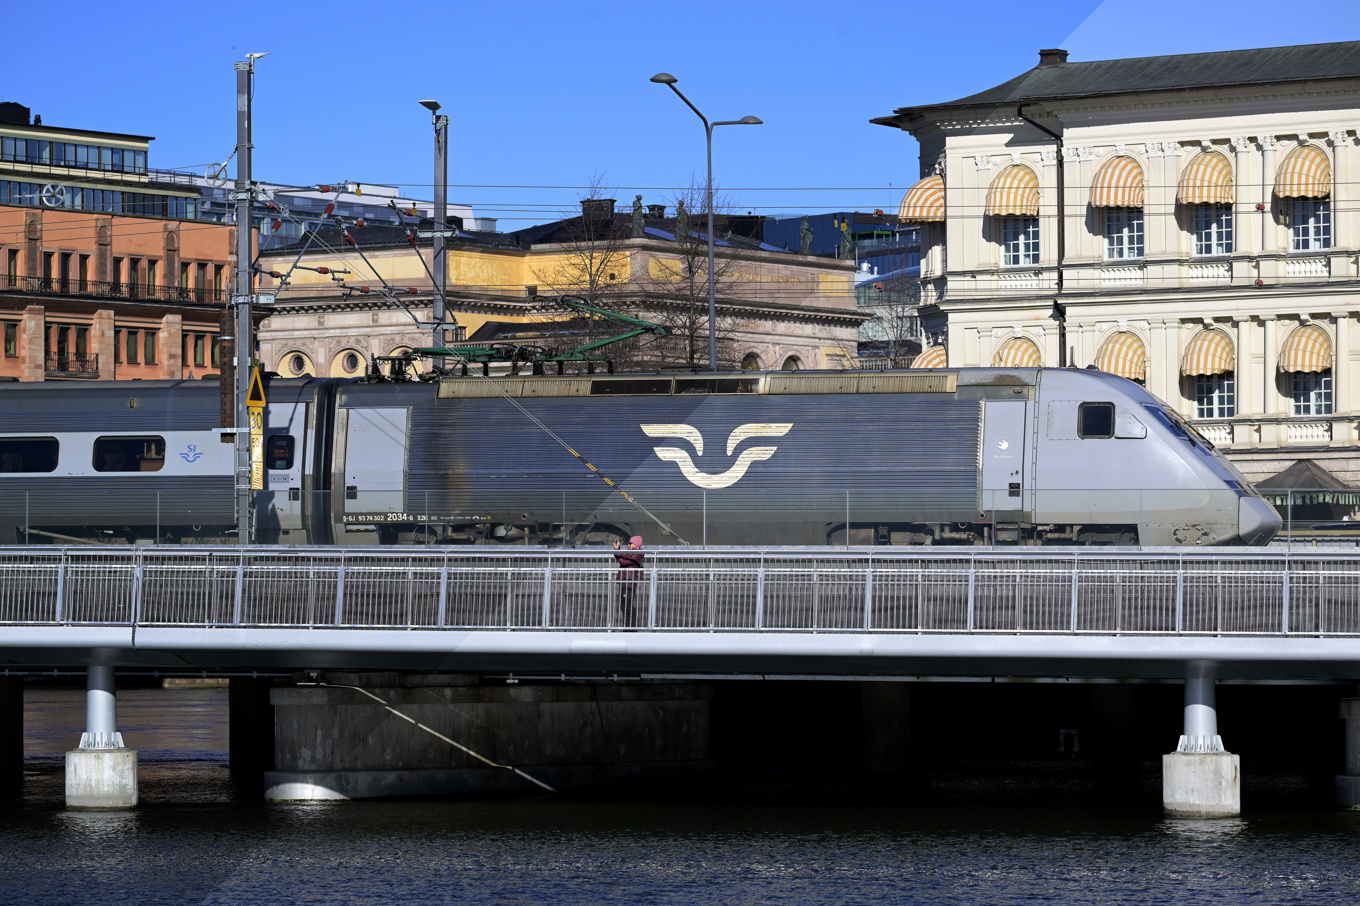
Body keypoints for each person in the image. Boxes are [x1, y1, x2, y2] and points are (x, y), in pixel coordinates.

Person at [612, 535, 644, 628]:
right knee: (624, 605)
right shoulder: (630, 552)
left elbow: (623, 562)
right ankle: (628, 627)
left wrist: (617, 552)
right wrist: (617, 550)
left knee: (628, 605)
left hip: (629, 581)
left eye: (631, 543)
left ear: (636, 545)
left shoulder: (637, 554)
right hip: (624, 580)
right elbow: (622, 557)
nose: (629, 545)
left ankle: (631, 627)